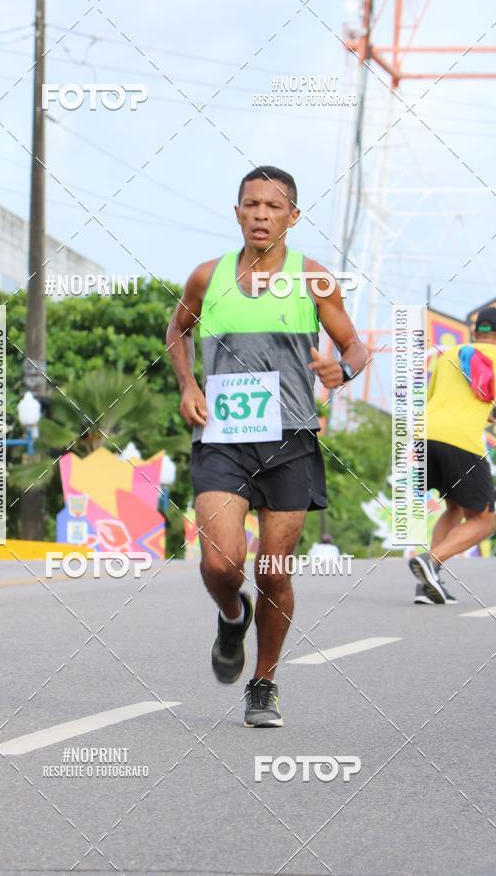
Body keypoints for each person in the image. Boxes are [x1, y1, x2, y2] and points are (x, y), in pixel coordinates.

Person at [165, 165, 368, 726]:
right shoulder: (207, 277)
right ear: (237, 212)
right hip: (223, 438)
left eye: (273, 207)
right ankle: (233, 616)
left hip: (290, 439)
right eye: (251, 205)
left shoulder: (313, 279)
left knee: (274, 571)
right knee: (220, 562)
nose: (261, 215)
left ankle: (263, 683)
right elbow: (178, 331)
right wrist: (188, 385)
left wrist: (343, 371)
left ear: (292, 217)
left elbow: (354, 346)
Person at [410, 307, 496, 604]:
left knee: (455, 509)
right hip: (460, 441)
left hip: (425, 434)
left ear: (476, 332)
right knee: (484, 522)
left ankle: (427, 585)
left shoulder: (449, 354)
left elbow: (442, 400)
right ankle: (430, 561)